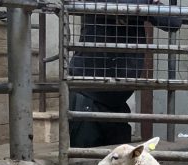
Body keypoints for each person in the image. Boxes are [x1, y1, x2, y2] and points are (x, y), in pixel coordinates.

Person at [67, 0, 181, 148]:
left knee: (119, 164)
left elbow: (174, 21)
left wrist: (141, 7)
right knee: (85, 160)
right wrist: (146, 6)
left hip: (118, 98)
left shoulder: (138, 5)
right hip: (89, 93)